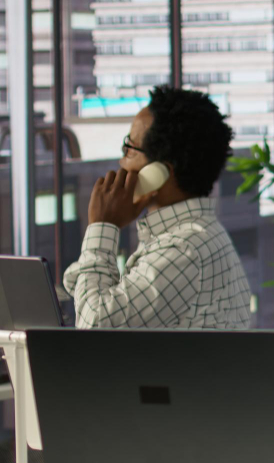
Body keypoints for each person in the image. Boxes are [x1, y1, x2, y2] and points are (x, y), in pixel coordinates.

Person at [64, 86, 252, 330]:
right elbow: (82, 290)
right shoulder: (191, 238)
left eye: (129, 148)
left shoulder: (183, 251)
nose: (121, 162)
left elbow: (94, 326)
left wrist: (103, 226)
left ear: (158, 173)